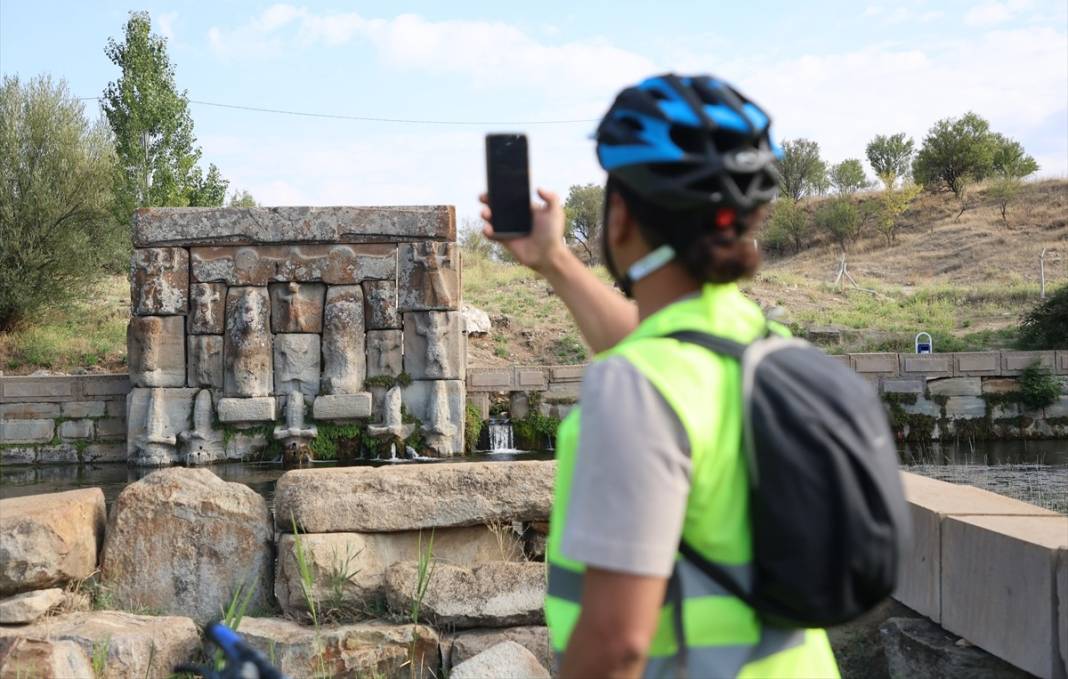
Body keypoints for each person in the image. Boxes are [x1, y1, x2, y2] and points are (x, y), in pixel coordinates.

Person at [480, 74, 840, 678]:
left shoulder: (636, 390)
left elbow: (617, 644)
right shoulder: (767, 349)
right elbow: (655, 343)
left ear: (619, 216)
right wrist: (552, 258)